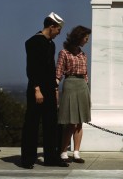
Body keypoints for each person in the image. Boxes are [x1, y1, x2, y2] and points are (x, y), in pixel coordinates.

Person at [21, 12, 69, 169]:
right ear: (51, 26)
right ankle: (27, 159)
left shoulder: (51, 44)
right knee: (32, 124)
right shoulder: (34, 42)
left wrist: (55, 89)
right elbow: (32, 68)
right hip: (37, 89)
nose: (59, 33)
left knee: (51, 125)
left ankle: (51, 157)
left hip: (49, 89)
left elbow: (50, 69)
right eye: (58, 30)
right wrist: (37, 89)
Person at [56, 25, 92, 163]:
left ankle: (76, 152)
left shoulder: (83, 55)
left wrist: (86, 87)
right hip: (70, 84)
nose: (87, 41)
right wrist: (55, 89)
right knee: (70, 122)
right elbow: (58, 72)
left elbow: (86, 74)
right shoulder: (64, 53)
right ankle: (64, 151)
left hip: (82, 85)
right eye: (86, 38)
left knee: (79, 122)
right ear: (79, 37)